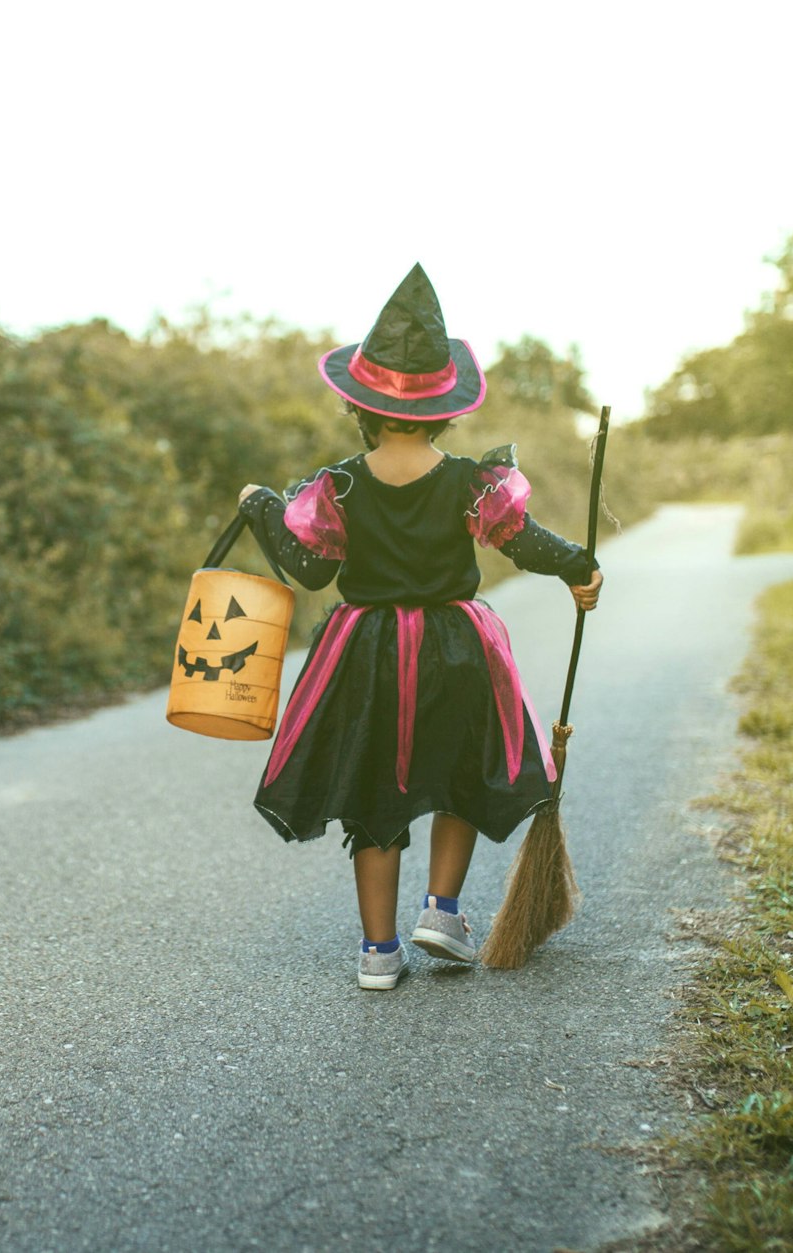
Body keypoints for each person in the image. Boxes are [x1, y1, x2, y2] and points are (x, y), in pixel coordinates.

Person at [236, 263, 603, 990]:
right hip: (455, 648)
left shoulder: (337, 485)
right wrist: (578, 566)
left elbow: (309, 570)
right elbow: (524, 541)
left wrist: (261, 506)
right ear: (445, 407)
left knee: (375, 797)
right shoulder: (471, 482)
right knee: (458, 773)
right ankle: (442, 910)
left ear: (360, 405)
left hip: (366, 652)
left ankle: (378, 951)